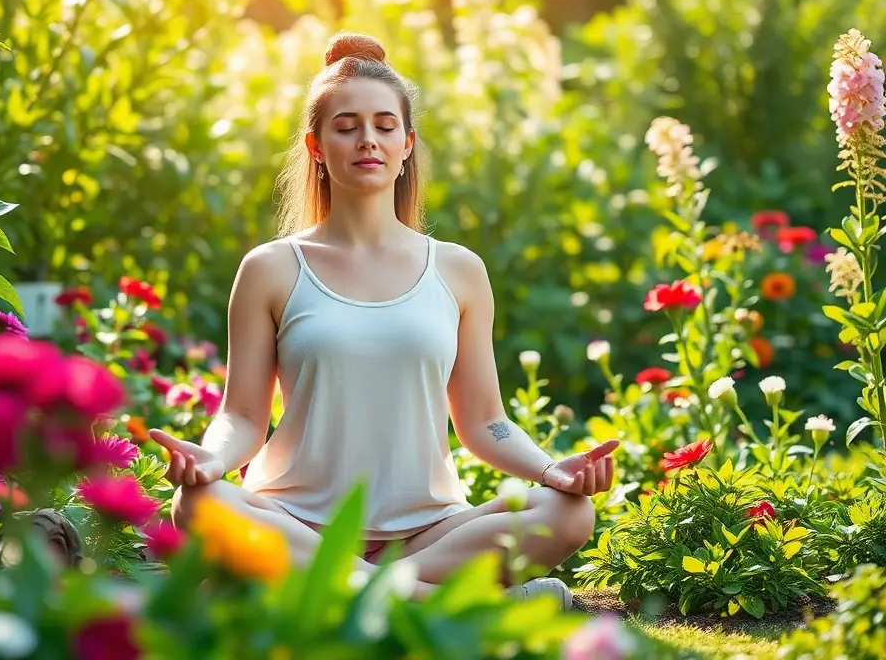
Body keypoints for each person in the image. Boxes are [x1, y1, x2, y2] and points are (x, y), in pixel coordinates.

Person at [150, 32, 619, 603]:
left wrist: (552, 472)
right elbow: (244, 415)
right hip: (295, 522)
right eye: (346, 126)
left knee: (568, 514)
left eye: (384, 125)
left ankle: (336, 595)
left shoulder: (459, 270)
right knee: (199, 503)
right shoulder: (271, 268)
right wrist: (213, 458)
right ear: (317, 146)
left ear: (407, 144)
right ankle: (442, 608)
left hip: (426, 531)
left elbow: (485, 421)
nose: (367, 140)